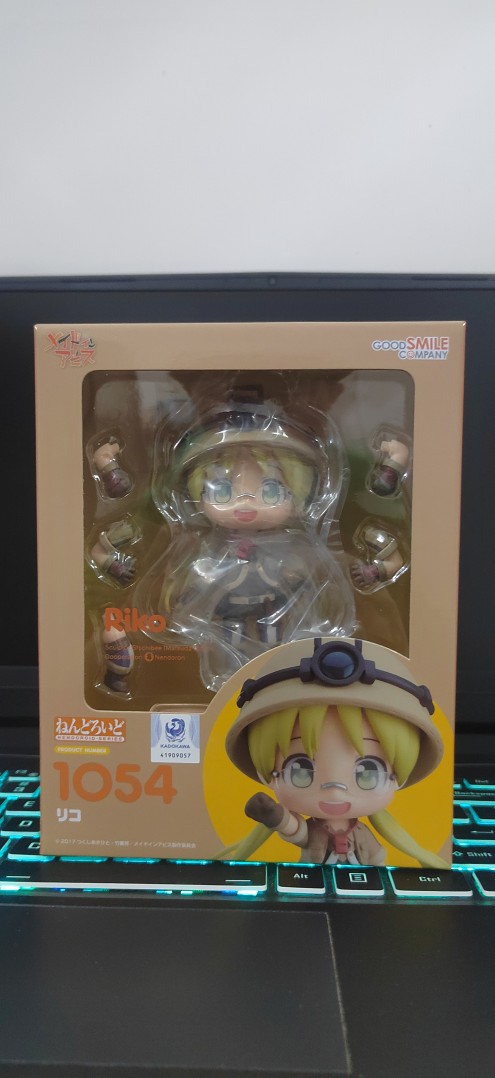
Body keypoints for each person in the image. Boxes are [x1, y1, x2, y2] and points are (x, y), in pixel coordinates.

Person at [221, 636, 448, 868]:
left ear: (398, 777)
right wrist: (274, 816)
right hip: (314, 881)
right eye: (301, 771)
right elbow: (295, 831)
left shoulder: (362, 834)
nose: (335, 791)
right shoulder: (316, 831)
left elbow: (377, 858)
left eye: (367, 772)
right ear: (267, 773)